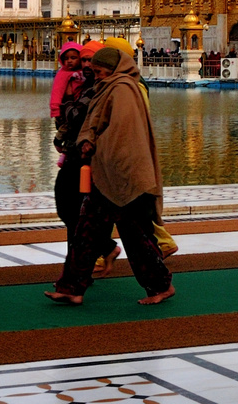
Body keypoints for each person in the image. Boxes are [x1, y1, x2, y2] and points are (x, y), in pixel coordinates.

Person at [45, 45, 174, 306]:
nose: (97, 76)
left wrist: (94, 145)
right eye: (95, 72)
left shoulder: (123, 89)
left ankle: (161, 286)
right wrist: (85, 140)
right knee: (85, 231)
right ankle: (71, 288)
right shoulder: (107, 88)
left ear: (113, 69)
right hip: (104, 173)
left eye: (101, 71)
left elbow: (121, 134)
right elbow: (92, 123)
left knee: (134, 235)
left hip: (123, 175)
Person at [53, 40, 112, 249]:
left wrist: (67, 98)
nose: (86, 65)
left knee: (71, 209)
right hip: (77, 154)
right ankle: (84, 260)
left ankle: (102, 249)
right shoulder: (86, 86)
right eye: (84, 59)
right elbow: (64, 119)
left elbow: (75, 117)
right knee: (72, 210)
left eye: (91, 60)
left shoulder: (95, 88)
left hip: (84, 157)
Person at [50, 42, 83, 118]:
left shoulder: (85, 71)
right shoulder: (63, 73)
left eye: (73, 58)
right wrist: (55, 111)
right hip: (67, 106)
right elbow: (57, 91)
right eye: (66, 58)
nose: (69, 61)